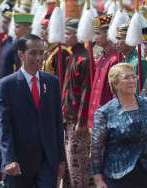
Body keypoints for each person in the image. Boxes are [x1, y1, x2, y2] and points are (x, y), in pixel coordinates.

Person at [90, 63, 147, 188]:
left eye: (133, 77)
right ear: (115, 83)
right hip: (118, 175)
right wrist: (98, 179)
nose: (132, 81)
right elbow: (96, 148)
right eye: (126, 78)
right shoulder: (105, 112)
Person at [0, 34, 65, 187]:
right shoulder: (6, 85)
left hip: (47, 160)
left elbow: (58, 122)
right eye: (33, 53)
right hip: (18, 161)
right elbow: (3, 125)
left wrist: (61, 159)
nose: (39, 58)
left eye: (41, 53)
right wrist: (9, 159)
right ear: (21, 54)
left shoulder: (52, 82)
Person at [61, 19, 93, 187]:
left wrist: (81, 121)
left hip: (77, 122)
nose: (65, 36)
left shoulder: (84, 59)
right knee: (68, 168)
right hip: (68, 118)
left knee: (78, 167)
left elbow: (86, 92)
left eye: (68, 33)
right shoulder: (72, 55)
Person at [87, 14, 122, 130]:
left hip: (109, 119)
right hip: (96, 117)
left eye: (98, 33)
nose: (95, 37)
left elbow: (115, 93)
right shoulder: (101, 57)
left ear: (108, 34)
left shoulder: (116, 59)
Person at [0, 4, 33, 79]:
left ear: (28, 29)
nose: (14, 29)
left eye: (17, 27)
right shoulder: (10, 42)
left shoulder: (29, 47)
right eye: (15, 26)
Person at [115, 23, 147, 92]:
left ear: (129, 39)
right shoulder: (123, 61)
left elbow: (141, 92)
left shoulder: (140, 62)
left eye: (119, 38)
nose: (116, 42)